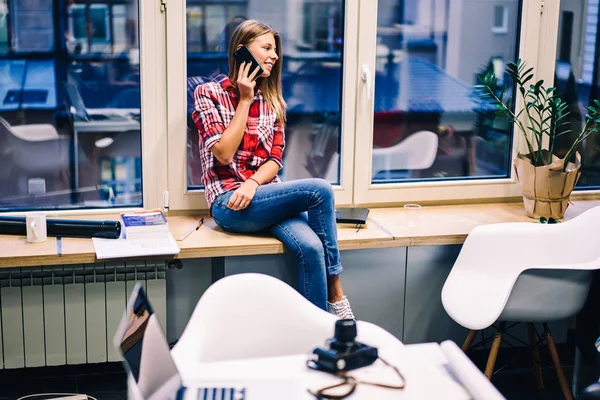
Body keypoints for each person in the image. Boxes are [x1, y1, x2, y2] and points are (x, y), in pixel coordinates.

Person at [191, 20, 354, 319]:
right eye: (266, 48)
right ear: (242, 52)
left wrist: (253, 182)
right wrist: (244, 99)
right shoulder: (208, 93)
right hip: (230, 205)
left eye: (275, 50)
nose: (274, 56)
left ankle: (319, 329)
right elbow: (224, 154)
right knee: (319, 189)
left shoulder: (273, 102)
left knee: (311, 247)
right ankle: (337, 293)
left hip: (263, 198)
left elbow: (274, 160)